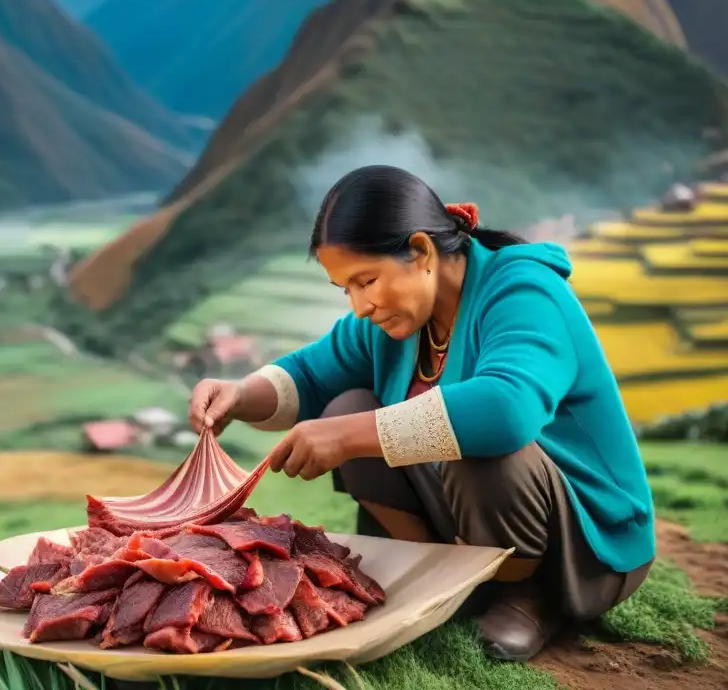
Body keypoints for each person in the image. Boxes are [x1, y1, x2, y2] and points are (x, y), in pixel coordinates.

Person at [188, 165, 655, 662]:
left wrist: (349, 435)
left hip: (583, 544)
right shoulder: (395, 321)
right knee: (348, 404)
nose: (360, 305)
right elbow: (309, 375)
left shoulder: (523, 291)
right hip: (472, 525)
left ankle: (525, 596)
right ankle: (439, 569)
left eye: (367, 280)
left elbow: (506, 409)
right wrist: (239, 394)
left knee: (479, 448)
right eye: (346, 288)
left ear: (421, 251)